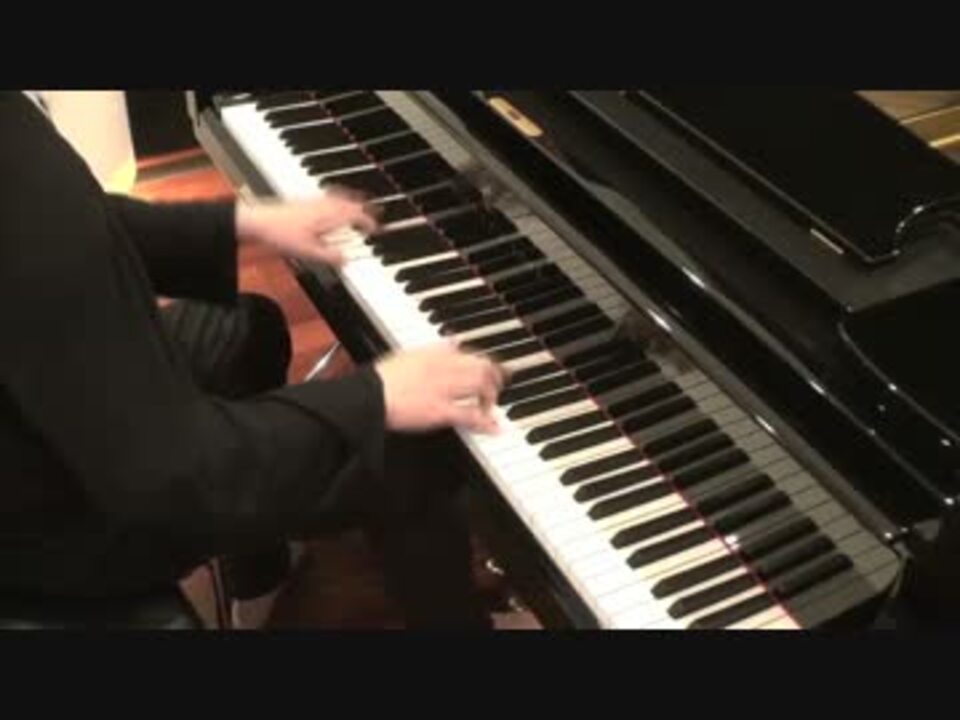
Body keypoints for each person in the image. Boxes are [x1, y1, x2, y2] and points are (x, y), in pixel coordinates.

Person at [0, 90, 506, 628]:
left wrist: (243, 224)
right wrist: (376, 397)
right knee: (401, 447)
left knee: (245, 332)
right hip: (58, 525)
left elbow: (68, 223)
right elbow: (172, 477)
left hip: (50, 435)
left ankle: (260, 587)